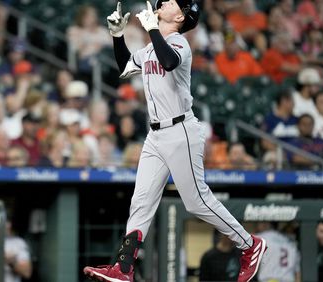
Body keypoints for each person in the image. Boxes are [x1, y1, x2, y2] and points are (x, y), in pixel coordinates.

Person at [83, 1, 267, 282]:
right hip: (155, 134)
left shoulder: (180, 43)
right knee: (141, 201)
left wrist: (152, 28)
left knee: (196, 202)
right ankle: (123, 268)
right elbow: (124, 67)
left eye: (171, 2)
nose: (163, 1)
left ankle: (249, 244)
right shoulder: (150, 47)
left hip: (181, 129)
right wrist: (118, 36)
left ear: (180, 16)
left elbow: (168, 61)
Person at [5, 214, 32, 282]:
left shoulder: (18, 243)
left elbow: (27, 273)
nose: (8, 226)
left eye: (9, 222)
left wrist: (11, 262)